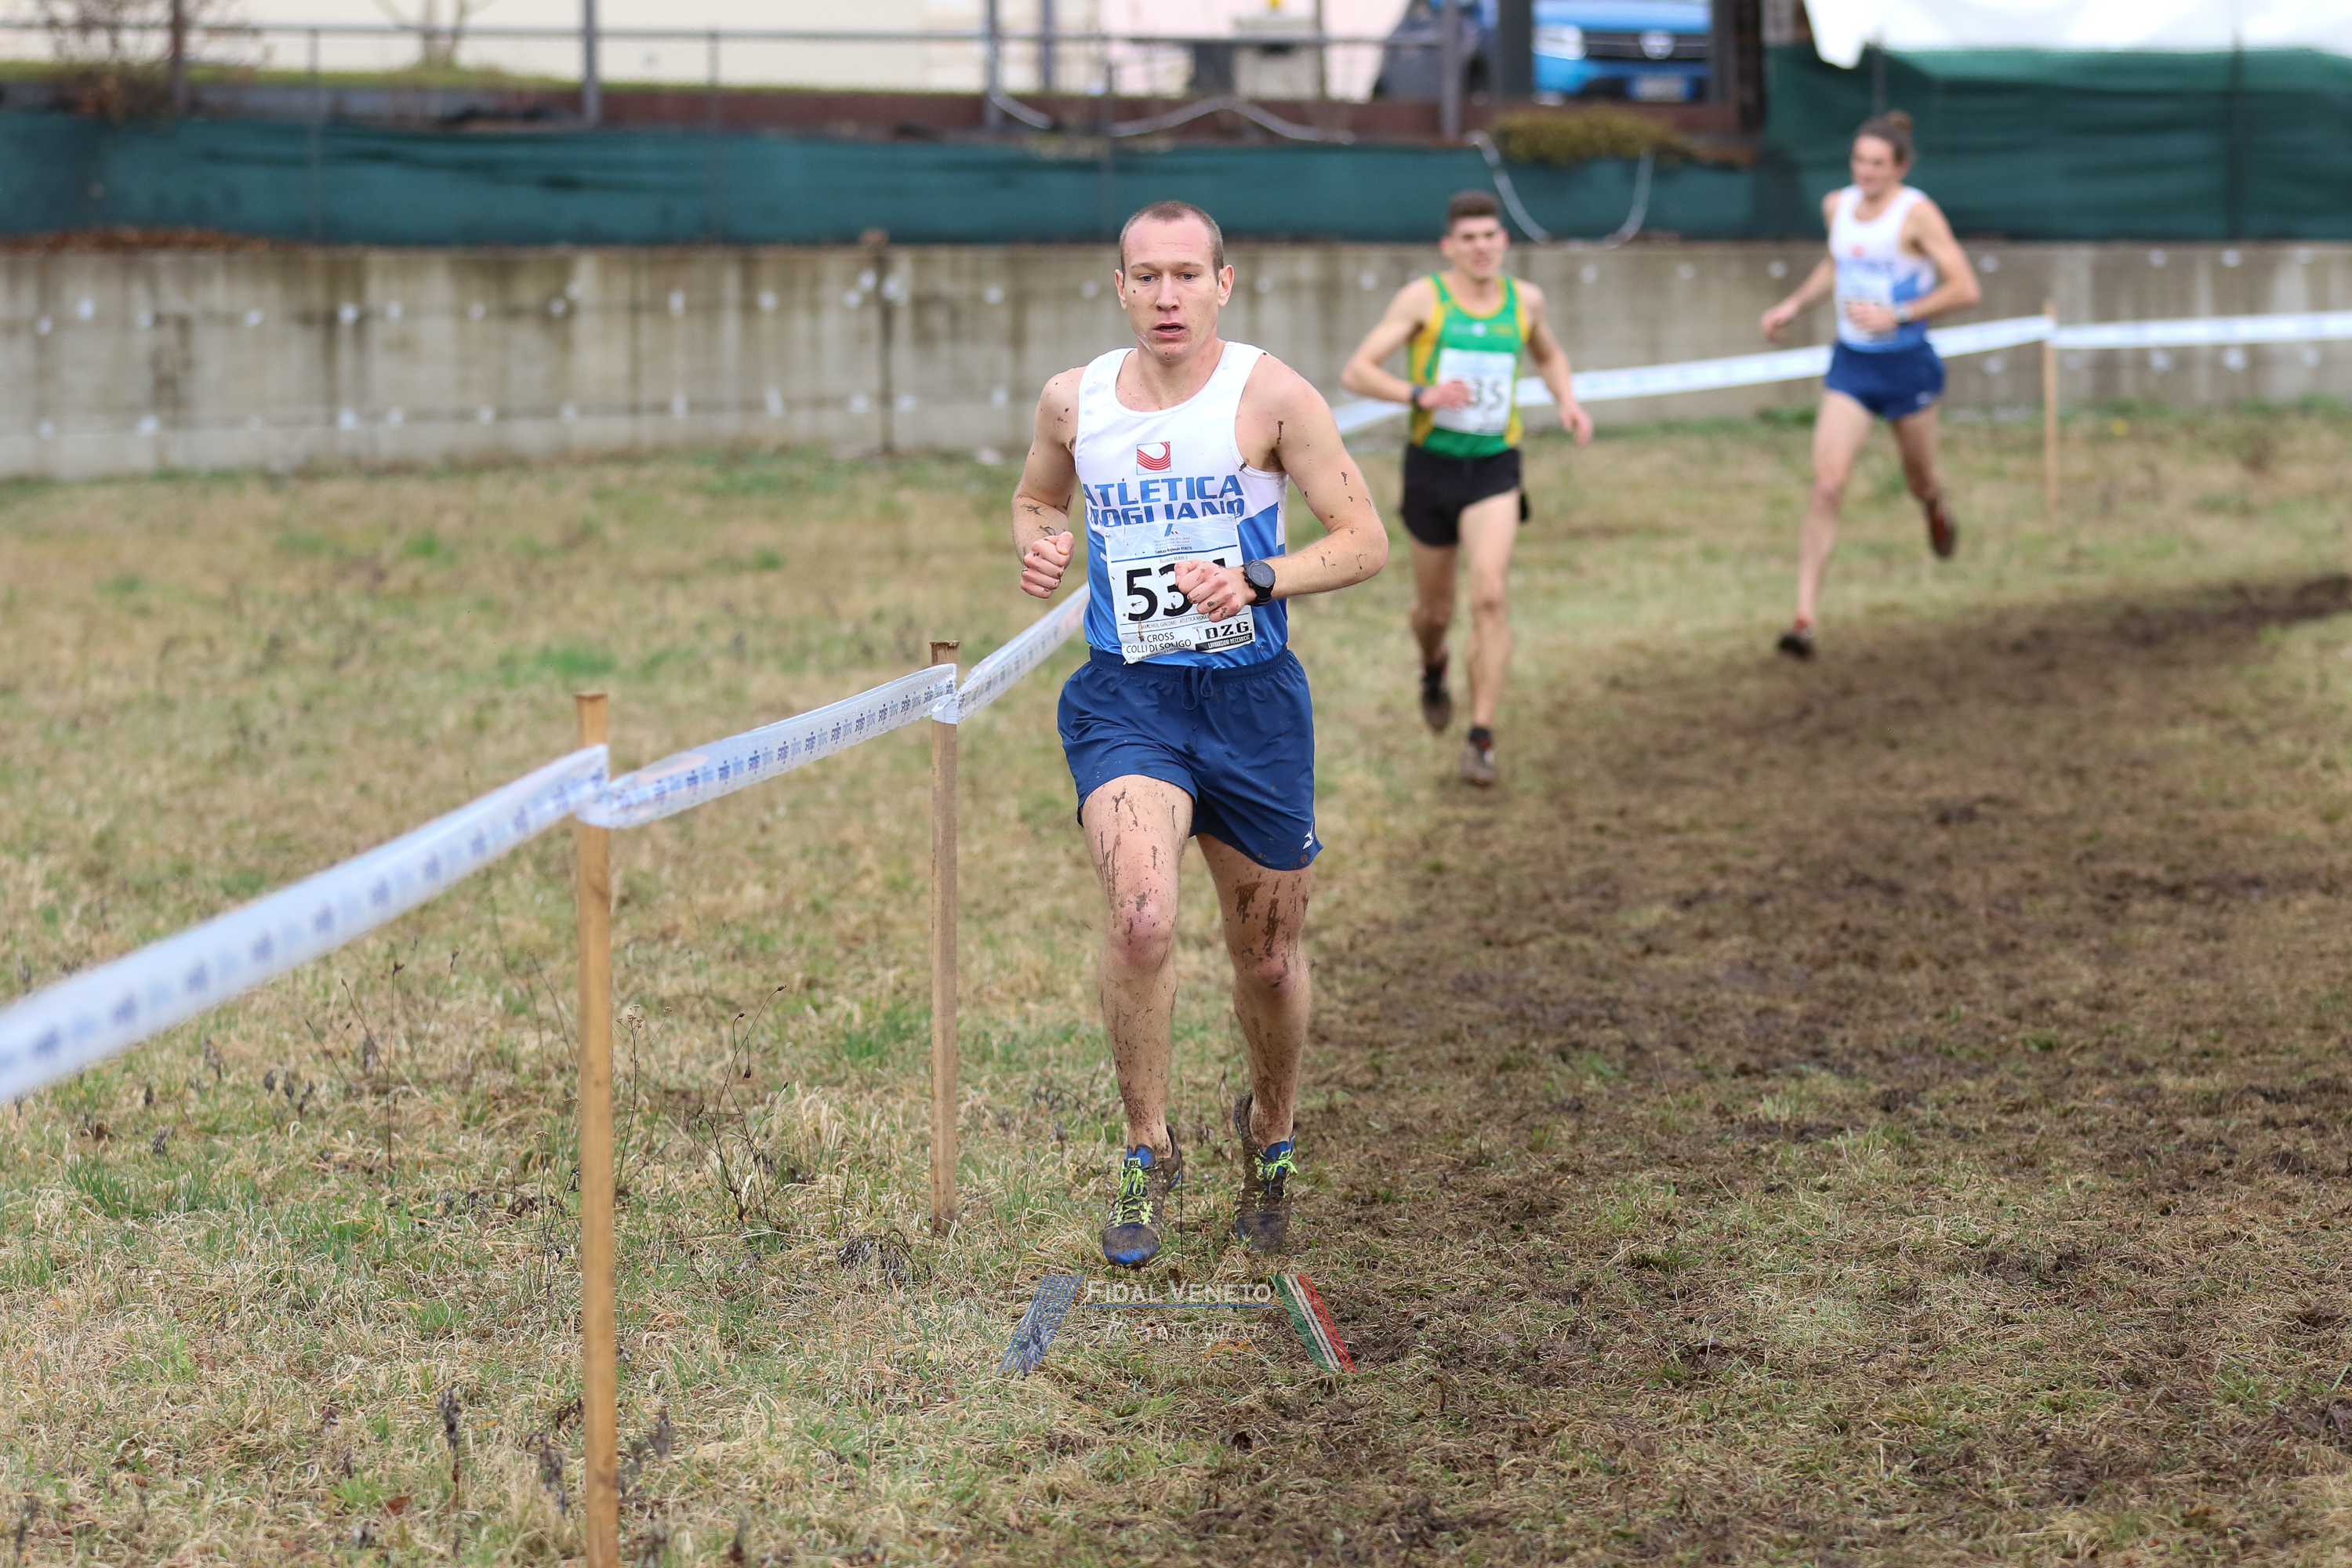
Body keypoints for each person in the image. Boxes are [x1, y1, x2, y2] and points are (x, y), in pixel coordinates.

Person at [1011, 200, 1388, 1268]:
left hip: (1252, 704)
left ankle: (1270, 1130)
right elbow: (1038, 499)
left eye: (1187, 275)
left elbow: (1364, 540)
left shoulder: (1272, 395)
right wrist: (1042, 542)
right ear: (1120, 288)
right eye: (1147, 276)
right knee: (1140, 919)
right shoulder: (1073, 400)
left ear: (1225, 283)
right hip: (1129, 698)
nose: (1167, 295)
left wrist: (1259, 577)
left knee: (1265, 960)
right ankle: (1147, 1145)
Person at [1341, 190, 1592, 786]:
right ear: (1449, 246)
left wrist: (1567, 399)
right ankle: (1434, 664)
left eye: (1490, 236)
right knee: (1435, 612)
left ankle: (1480, 737)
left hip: (1494, 467)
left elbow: (1549, 354)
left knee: (1490, 595)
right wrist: (1420, 395)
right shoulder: (1424, 298)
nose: (1481, 247)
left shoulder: (1525, 300)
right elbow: (1358, 370)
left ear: (1503, 241)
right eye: (1469, 238)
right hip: (1432, 468)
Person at [1760, 109, 1982, 659]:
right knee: (1827, 485)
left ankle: (1935, 507)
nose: (1866, 172)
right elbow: (1837, 264)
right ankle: (1804, 619)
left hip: (1906, 365)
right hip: (1853, 366)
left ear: (1901, 167)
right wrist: (1793, 304)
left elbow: (1965, 288)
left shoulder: (1917, 215)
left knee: (1920, 480)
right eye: (1860, 160)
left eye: (1878, 164)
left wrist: (1899, 315)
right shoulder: (1836, 206)